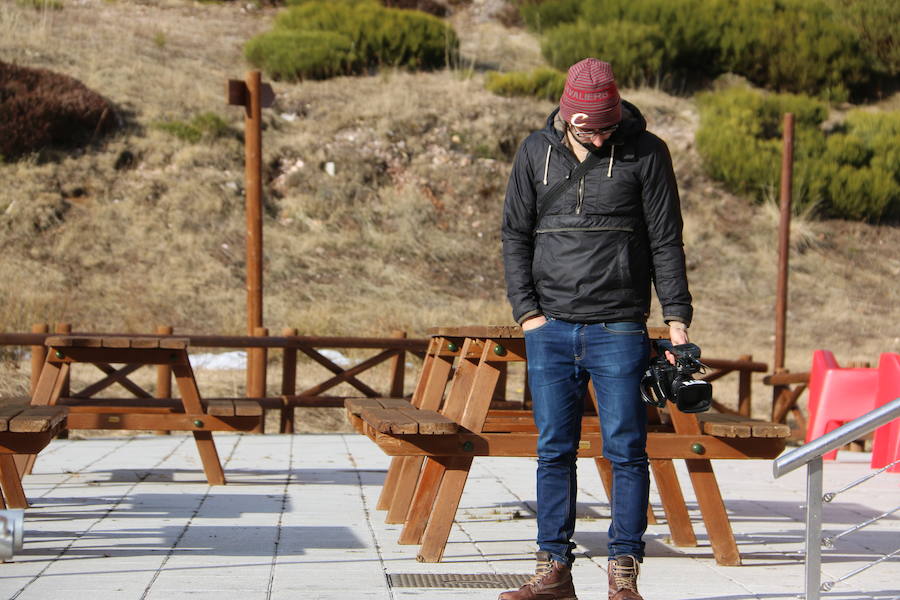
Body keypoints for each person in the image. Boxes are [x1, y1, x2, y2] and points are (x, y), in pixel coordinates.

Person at [499, 58, 693, 600]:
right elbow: (515, 234)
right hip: (551, 327)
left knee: (626, 449)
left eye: (606, 126)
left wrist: (676, 317)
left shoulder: (648, 153)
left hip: (621, 328)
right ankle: (553, 569)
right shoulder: (535, 152)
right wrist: (528, 314)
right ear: (566, 116)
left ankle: (623, 572)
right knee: (553, 450)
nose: (598, 135)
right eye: (588, 127)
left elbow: (665, 241)